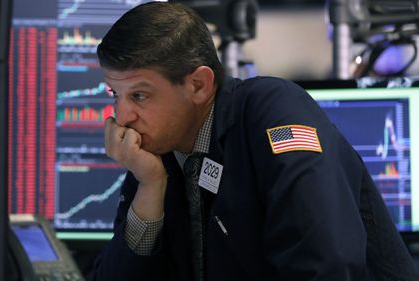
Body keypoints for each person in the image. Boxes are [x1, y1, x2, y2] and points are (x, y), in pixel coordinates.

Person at [92, 2, 419, 281]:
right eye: (115, 94)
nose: (122, 117)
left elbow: (326, 265)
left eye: (139, 95)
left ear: (198, 85)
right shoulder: (158, 157)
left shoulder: (274, 111)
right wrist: (149, 187)